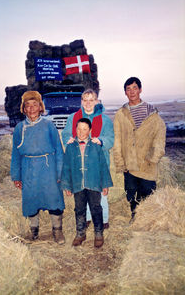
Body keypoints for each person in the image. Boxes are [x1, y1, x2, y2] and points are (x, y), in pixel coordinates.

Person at [10, 90, 65, 244]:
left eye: (35, 105)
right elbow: (15, 154)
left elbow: (59, 150)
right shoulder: (19, 128)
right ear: (24, 109)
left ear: (41, 107)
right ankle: (34, 231)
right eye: (28, 105)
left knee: (54, 198)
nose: (32, 108)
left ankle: (57, 231)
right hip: (28, 168)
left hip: (48, 167)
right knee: (31, 199)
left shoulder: (49, 125)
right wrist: (16, 176)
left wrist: (60, 172)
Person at [113, 77, 166, 223]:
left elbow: (160, 137)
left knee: (148, 194)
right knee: (132, 195)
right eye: (128, 89)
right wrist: (120, 162)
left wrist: (154, 158)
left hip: (147, 164)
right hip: (129, 165)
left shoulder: (152, 115)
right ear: (125, 92)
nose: (132, 92)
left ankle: (148, 221)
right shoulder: (120, 115)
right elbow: (117, 140)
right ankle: (134, 218)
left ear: (140, 90)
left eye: (135, 88)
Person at [61, 89, 114, 229]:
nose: (88, 103)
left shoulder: (105, 119)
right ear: (81, 102)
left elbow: (111, 139)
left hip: (98, 161)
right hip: (79, 160)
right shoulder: (73, 117)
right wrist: (69, 139)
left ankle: (103, 220)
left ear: (97, 101)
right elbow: (65, 134)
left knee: (99, 191)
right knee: (83, 188)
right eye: (85, 100)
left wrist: (101, 141)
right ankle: (88, 218)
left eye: (91, 100)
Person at [61, 118, 113, 248]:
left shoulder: (96, 146)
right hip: (78, 184)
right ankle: (80, 233)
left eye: (85, 129)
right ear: (75, 130)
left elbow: (103, 166)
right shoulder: (71, 147)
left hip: (94, 183)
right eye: (79, 129)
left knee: (96, 208)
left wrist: (105, 184)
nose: (81, 132)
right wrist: (67, 185)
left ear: (90, 130)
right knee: (79, 209)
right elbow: (66, 167)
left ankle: (99, 233)